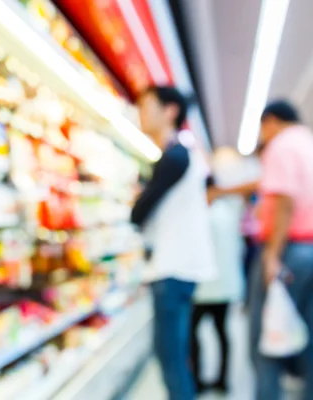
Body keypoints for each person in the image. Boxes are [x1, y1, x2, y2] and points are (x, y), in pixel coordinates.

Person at [131, 86, 216, 400]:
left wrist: (137, 202)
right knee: (173, 352)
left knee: (169, 355)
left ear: (170, 111)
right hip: (178, 269)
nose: (141, 112)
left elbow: (139, 212)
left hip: (172, 270)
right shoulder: (181, 155)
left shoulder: (175, 156)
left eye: (147, 105)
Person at [249, 100, 313, 400]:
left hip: (289, 251)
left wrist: (272, 255)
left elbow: (285, 201)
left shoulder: (281, 146)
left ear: (271, 121)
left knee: (268, 336)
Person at [191, 149, 249, 395]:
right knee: (222, 332)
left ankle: (198, 378)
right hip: (225, 287)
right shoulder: (229, 213)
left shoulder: (198, 217)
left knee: (193, 333)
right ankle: (223, 379)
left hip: (203, 289)